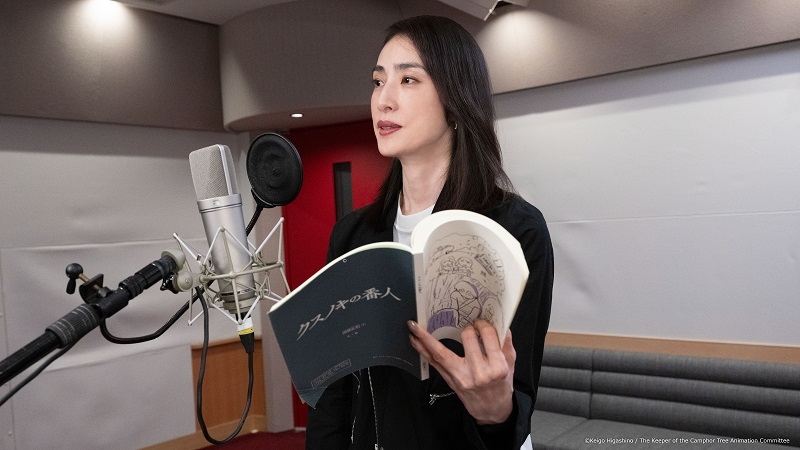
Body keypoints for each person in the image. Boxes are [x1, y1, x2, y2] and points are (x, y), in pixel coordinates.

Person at [306, 15, 553, 450]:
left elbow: (517, 403)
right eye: (378, 81)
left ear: (456, 100)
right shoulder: (352, 235)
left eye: (408, 80)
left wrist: (495, 411)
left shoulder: (516, 230)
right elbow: (334, 396)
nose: (383, 100)